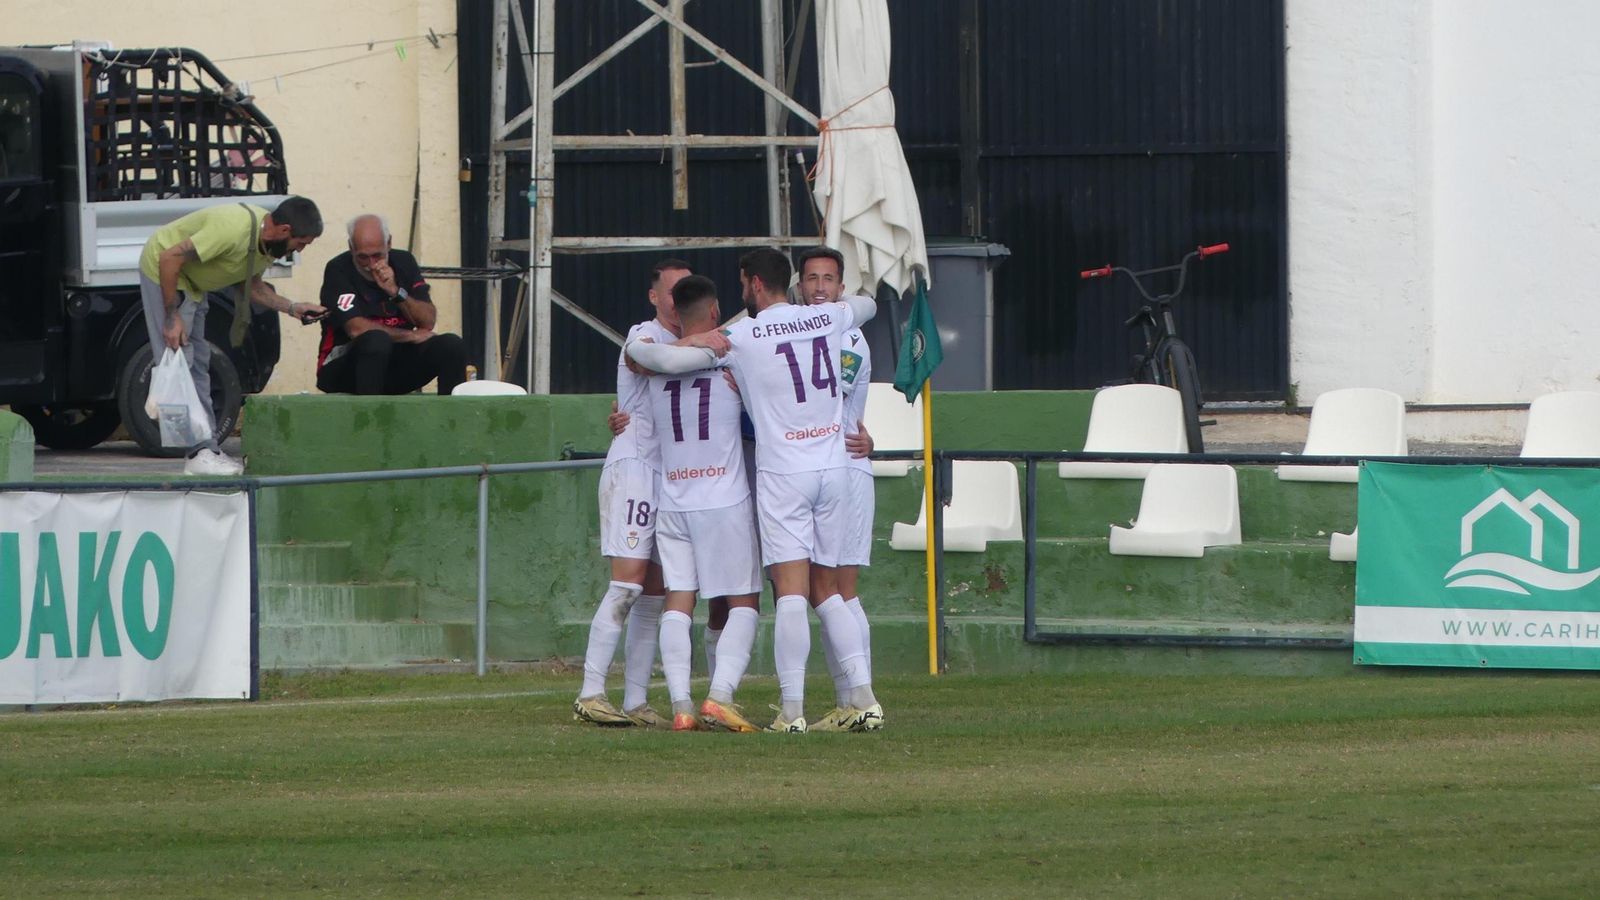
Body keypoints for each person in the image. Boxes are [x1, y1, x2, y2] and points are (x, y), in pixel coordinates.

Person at [628, 247, 880, 733]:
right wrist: (833, 310)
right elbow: (867, 306)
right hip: (834, 468)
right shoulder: (826, 318)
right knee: (829, 591)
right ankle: (863, 698)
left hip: (783, 475)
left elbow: (649, 356)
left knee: (789, 592)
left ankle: (791, 710)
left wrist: (696, 340)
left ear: (754, 284)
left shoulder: (738, 336)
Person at [633, 275, 763, 732]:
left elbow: (642, 358)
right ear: (713, 314)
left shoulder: (654, 362)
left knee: (678, 600)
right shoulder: (731, 359)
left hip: (674, 498)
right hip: (723, 499)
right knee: (745, 600)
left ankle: (682, 704)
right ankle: (720, 696)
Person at [572, 259, 691, 727]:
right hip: (635, 470)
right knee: (627, 582)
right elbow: (638, 359)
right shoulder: (643, 333)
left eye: (687, 292)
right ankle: (590, 691)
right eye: (672, 291)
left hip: (673, 476)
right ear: (655, 297)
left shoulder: (694, 343)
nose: (679, 300)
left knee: (656, 592)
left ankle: (637, 701)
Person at [138, 195, 328, 475]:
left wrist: (293, 308)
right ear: (285, 230)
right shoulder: (231, 230)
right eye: (300, 244)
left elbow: (251, 287)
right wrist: (171, 317)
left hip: (192, 284)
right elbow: (169, 257)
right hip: (164, 271)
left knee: (199, 364)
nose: (298, 250)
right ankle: (197, 451)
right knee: (183, 362)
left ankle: (204, 451)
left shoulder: (264, 245)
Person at [794, 246, 880, 732]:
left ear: (842, 290)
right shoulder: (801, 333)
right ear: (800, 286)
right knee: (822, 591)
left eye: (829, 279)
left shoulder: (848, 338)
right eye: (812, 279)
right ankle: (850, 697)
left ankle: (857, 698)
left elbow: (825, 403)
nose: (821, 287)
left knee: (839, 592)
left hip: (844, 470)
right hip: (822, 469)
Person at [316, 214, 467, 396]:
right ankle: (370, 422)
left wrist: (395, 291)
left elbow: (427, 322)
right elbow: (356, 329)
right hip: (345, 366)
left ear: (389, 243)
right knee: (376, 340)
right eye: (363, 257)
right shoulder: (338, 269)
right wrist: (409, 336)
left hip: (393, 363)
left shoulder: (404, 262)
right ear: (351, 248)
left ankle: (450, 420)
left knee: (452, 345)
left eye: (377, 255)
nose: (372, 264)